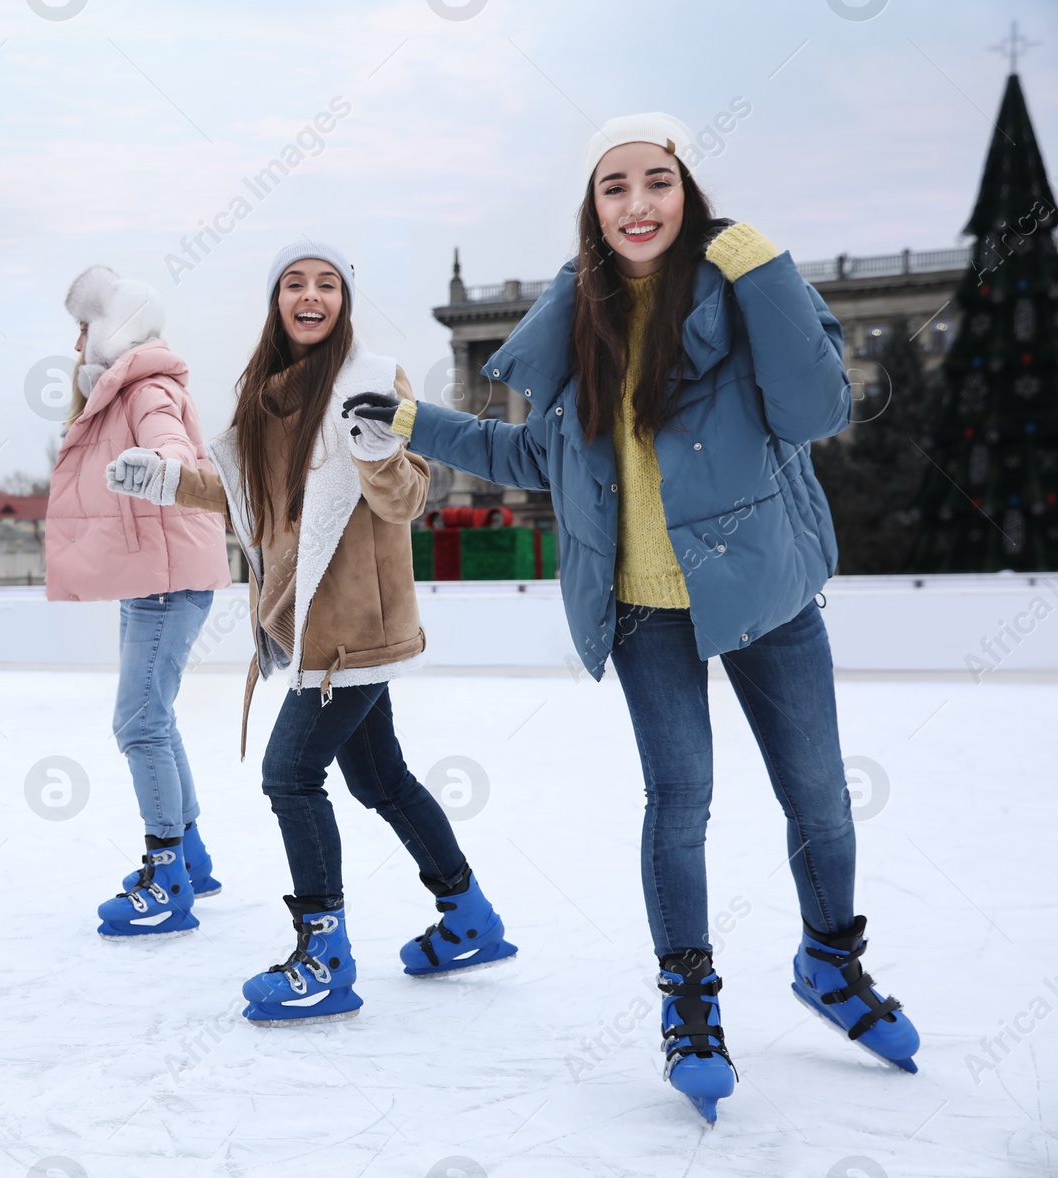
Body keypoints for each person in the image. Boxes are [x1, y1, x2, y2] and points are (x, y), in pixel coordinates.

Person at [346, 114, 919, 1120]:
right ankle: (688, 999)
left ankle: (829, 961)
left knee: (820, 796)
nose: (637, 202)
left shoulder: (743, 293)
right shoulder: (578, 322)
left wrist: (764, 265)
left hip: (767, 594)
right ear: (593, 208)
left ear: (686, 192)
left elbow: (817, 407)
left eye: (657, 180)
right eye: (614, 186)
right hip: (641, 606)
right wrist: (407, 421)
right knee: (678, 799)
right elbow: (534, 460)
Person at [109, 242, 516, 1025]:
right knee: (380, 780)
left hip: (355, 629)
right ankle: (469, 918)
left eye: (326, 283)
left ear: (343, 303)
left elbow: (407, 501)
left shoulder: (372, 381)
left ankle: (323, 953)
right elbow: (252, 507)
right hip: (309, 625)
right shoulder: (267, 398)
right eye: (295, 283)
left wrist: (379, 457)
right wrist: (165, 479)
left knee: (290, 775)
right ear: (277, 303)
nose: (311, 294)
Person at [44, 265, 231, 939]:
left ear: (108, 331)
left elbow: (172, 453)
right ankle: (192, 855)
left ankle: (166, 875)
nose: (74, 347)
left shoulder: (147, 388)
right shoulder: (126, 389)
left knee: (140, 722)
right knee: (154, 717)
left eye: (83, 330)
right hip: (154, 574)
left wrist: (164, 470)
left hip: (167, 576)